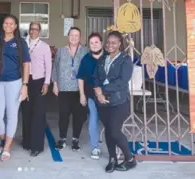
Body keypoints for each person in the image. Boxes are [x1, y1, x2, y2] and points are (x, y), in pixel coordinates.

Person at [93, 30, 137, 173]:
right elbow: (95, 77)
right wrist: (97, 91)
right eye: (109, 42)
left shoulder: (125, 60)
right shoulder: (102, 59)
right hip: (103, 102)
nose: (110, 45)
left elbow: (122, 82)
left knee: (114, 130)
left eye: (114, 42)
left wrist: (102, 90)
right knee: (108, 130)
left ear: (119, 44)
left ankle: (130, 159)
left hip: (119, 101)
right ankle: (113, 158)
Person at [0, 14, 30, 161]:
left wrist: (25, 85)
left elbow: (26, 64)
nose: (8, 26)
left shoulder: (20, 43)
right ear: (2, 25)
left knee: (11, 115)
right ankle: (5, 139)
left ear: (16, 26)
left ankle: (6, 146)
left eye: (11, 23)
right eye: (6, 23)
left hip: (15, 81)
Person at [52, 27, 89, 151]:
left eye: (76, 35)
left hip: (79, 89)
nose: (74, 37)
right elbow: (55, 68)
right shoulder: (61, 51)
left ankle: (75, 139)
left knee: (78, 116)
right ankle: (62, 139)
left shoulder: (85, 51)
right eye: (72, 35)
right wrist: (55, 84)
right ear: (68, 36)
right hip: (63, 88)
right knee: (63, 115)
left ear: (80, 38)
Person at [21, 22, 52, 157]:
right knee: (26, 111)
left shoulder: (44, 47)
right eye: (31, 29)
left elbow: (49, 66)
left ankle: (37, 146)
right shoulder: (22, 44)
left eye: (36, 29)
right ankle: (27, 142)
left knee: (38, 114)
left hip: (39, 81)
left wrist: (46, 83)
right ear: (29, 30)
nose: (33, 31)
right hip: (25, 81)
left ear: (40, 31)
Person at [77, 32, 105, 160]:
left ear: (101, 43)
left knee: (109, 122)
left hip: (107, 96)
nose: (94, 45)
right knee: (93, 120)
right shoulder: (86, 59)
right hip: (91, 96)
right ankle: (95, 147)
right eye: (91, 43)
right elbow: (80, 77)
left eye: (96, 42)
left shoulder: (108, 57)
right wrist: (82, 94)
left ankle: (113, 146)